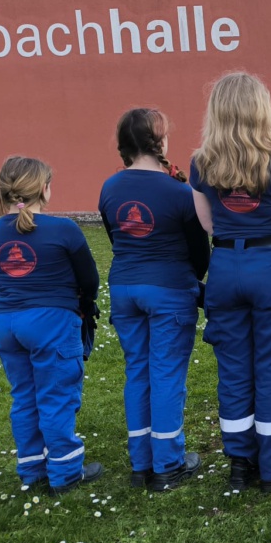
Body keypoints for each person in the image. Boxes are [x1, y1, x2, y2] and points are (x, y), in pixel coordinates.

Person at [190, 73, 271, 494]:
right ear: (262, 110)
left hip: (225, 265)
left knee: (234, 367)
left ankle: (240, 462)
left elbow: (207, 224)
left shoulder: (202, 164)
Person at [99, 108, 210, 493]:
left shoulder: (110, 188)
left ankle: (141, 463)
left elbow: (116, 237)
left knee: (138, 372)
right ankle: (167, 464)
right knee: (166, 374)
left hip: (125, 288)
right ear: (159, 142)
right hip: (168, 290)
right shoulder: (179, 192)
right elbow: (200, 253)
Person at [0, 156, 102, 494]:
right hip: (51, 322)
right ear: (45, 189)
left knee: (24, 396)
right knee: (56, 396)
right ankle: (65, 472)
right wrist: (84, 306)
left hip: (7, 323)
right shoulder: (64, 229)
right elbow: (89, 279)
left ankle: (32, 468)